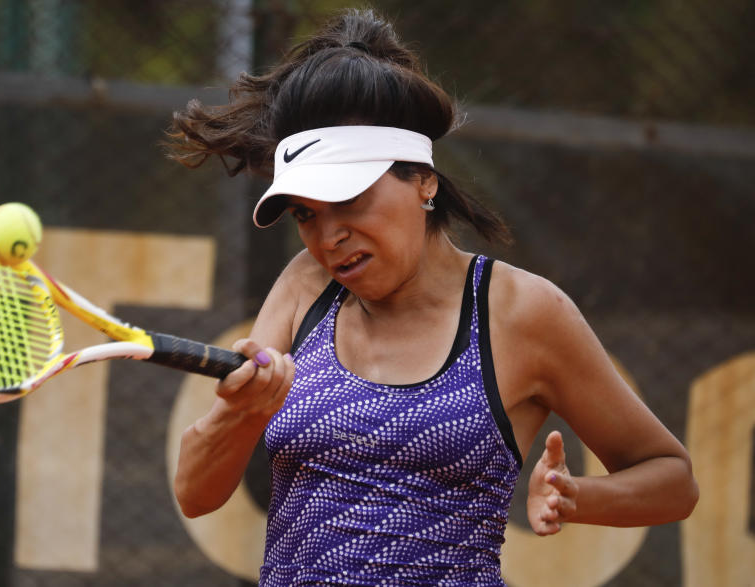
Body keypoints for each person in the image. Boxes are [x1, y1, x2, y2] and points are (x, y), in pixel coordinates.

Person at [166, 8, 698, 586]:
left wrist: (578, 498)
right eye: (305, 215)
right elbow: (196, 494)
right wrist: (239, 416)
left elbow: (670, 478)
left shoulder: (522, 311)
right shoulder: (303, 285)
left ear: (424, 181)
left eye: (349, 202)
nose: (327, 236)